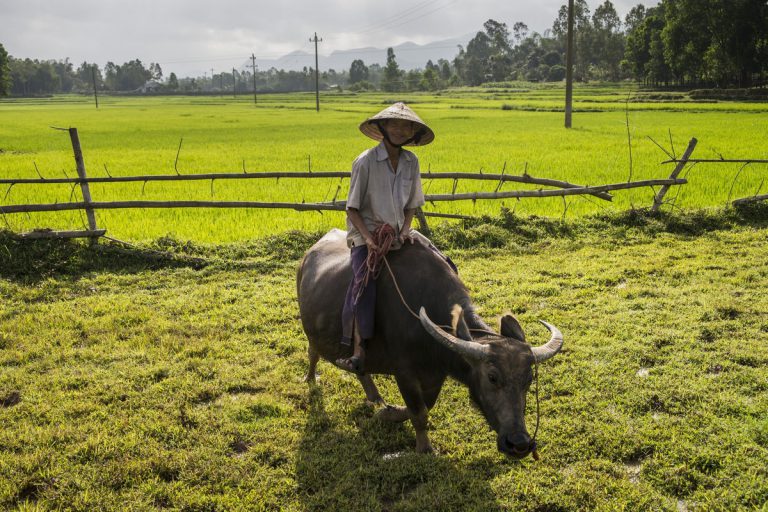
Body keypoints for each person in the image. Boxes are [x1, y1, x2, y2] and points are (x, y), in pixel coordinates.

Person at [336, 102, 435, 374]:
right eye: (395, 124)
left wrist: (405, 231)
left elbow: (412, 203)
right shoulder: (365, 162)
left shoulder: (411, 162)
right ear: (382, 128)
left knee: (443, 264)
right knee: (363, 288)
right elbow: (352, 208)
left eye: (407, 126)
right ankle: (357, 350)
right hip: (367, 235)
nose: (401, 130)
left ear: (413, 133)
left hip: (399, 233)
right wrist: (368, 239)